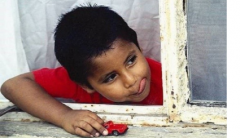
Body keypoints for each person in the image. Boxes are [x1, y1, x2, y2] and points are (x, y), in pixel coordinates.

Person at [1, 4, 163, 137]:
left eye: (131, 60)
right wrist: (64, 116)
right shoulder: (81, 80)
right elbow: (12, 86)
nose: (130, 80)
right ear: (86, 84)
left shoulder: (169, 79)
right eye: (110, 77)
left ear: (139, 47)